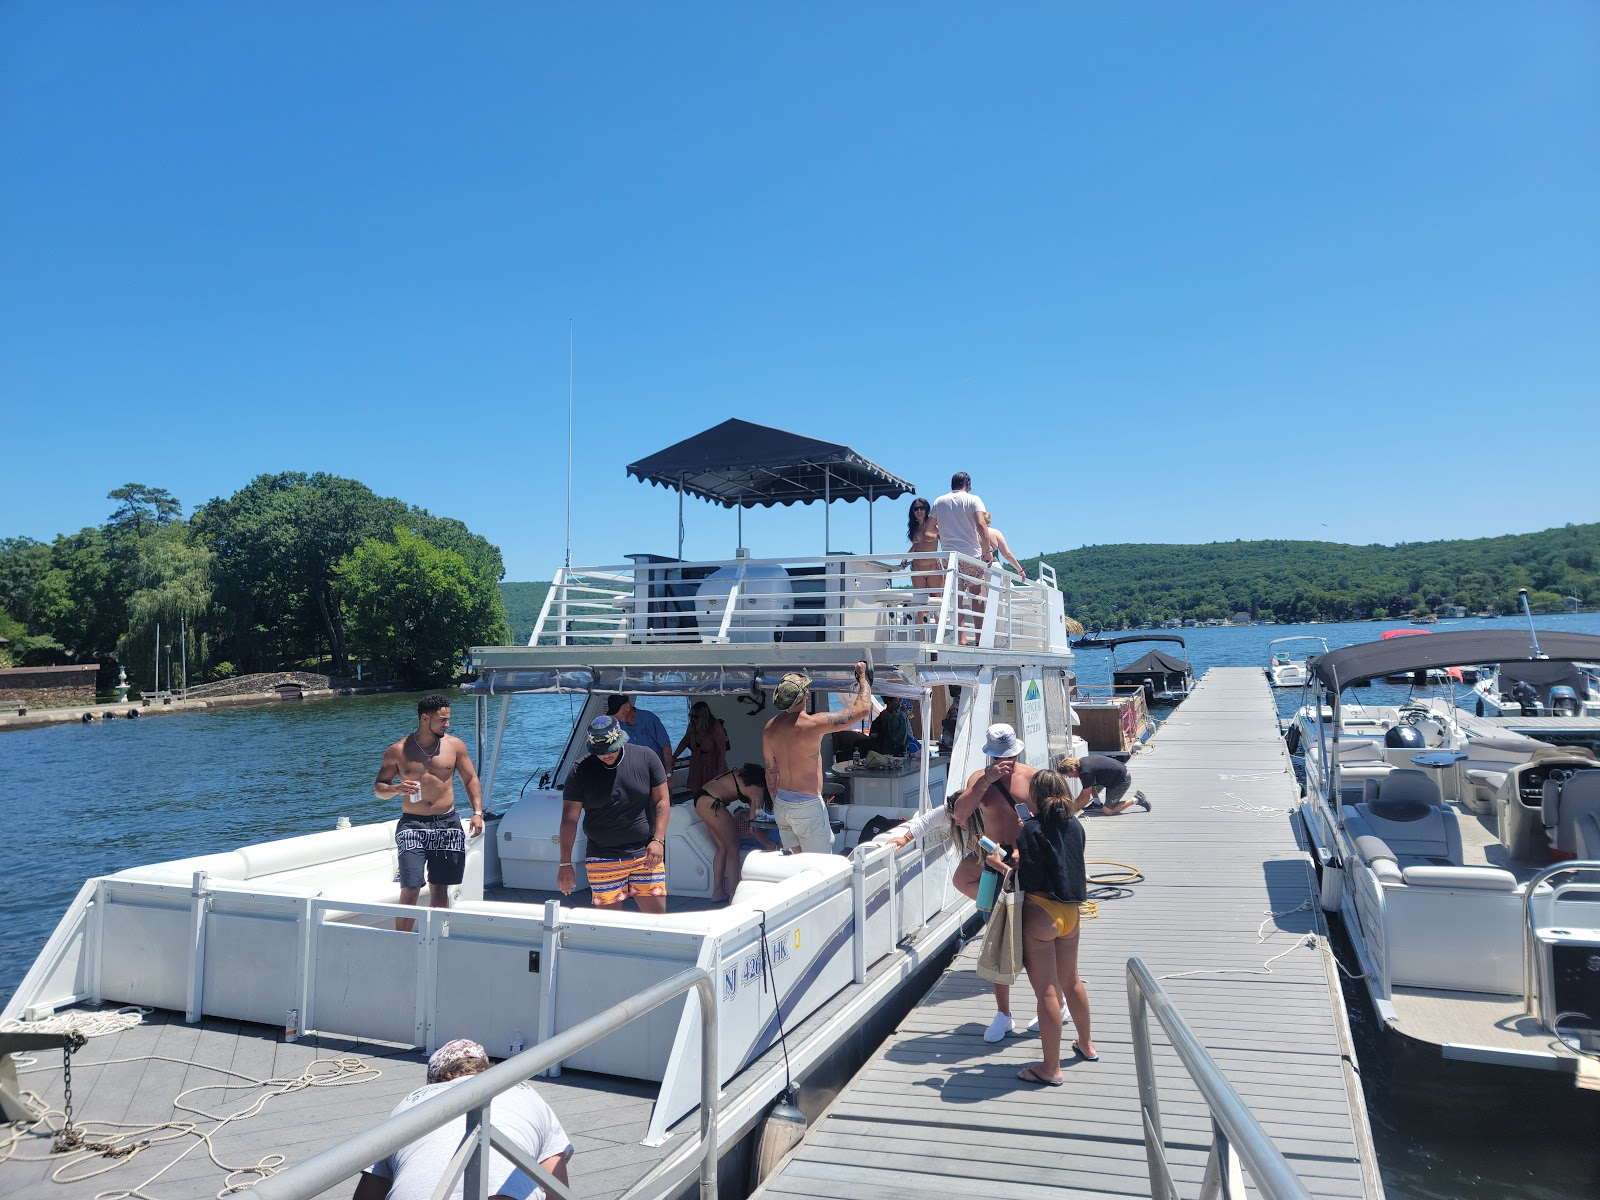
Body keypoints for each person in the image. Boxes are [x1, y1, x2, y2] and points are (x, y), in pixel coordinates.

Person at [983, 770, 1096, 1085]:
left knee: (1046, 991)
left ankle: (1050, 1068)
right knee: (1071, 981)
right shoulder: (1075, 825)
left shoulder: (1030, 830)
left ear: (1035, 796)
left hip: (1042, 914)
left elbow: (1028, 879)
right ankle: (1086, 1045)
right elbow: (1062, 862)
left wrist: (1000, 865)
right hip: (1071, 912)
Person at [353, 1038, 573, 1200]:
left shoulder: (411, 1103)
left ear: (434, 1081)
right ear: (485, 1068)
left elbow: (369, 1192)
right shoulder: (523, 1091)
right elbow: (554, 1184)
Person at [950, 724, 1040, 1041]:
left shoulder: (1033, 777)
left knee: (1035, 942)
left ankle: (1054, 1004)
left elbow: (1049, 823)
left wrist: (1024, 852)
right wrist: (986, 781)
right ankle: (1004, 1014)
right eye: (1000, 757)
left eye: (1010, 756)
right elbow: (960, 814)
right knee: (996, 938)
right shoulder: (979, 779)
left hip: (1027, 865)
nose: (1006, 762)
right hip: (993, 865)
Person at [373, 695, 485, 933]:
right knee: (410, 887)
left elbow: (470, 779)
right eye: (443, 720)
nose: (448, 724)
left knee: (440, 887)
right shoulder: (398, 750)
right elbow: (379, 788)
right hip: (413, 825)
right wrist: (396, 789)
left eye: (448, 719)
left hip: (447, 823)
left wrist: (477, 813)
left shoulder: (455, 746)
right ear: (425, 718)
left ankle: (436, 939)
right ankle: (401, 940)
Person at [559, 716, 670, 913]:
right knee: (608, 925)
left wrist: (658, 840)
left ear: (620, 739)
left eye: (611, 749)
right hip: (602, 858)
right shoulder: (579, 771)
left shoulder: (647, 757)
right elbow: (569, 819)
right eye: (601, 751)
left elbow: (662, 800)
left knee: (657, 922)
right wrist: (565, 863)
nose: (606, 755)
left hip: (646, 853)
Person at [762, 664, 872, 853]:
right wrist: (863, 678)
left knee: (797, 863)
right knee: (820, 866)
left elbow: (770, 770)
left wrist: (777, 802)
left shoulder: (770, 727)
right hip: (806, 806)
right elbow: (862, 710)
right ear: (805, 695)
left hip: (781, 805)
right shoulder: (812, 724)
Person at [693, 763, 777, 900]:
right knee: (733, 847)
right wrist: (771, 845)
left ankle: (717, 893)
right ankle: (734, 895)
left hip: (701, 799)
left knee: (723, 847)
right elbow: (754, 829)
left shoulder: (746, 776)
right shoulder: (758, 790)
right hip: (712, 803)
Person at [929, 472, 989, 643]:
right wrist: (987, 551)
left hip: (950, 556)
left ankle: (961, 638)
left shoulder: (939, 501)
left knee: (957, 597)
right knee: (976, 595)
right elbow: (981, 524)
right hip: (971, 555)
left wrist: (944, 532)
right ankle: (979, 638)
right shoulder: (973, 499)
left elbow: (929, 527)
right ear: (967, 484)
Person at [1058, 754, 1149, 814]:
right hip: (1115, 777)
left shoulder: (1085, 772)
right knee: (1088, 784)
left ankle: (1137, 799)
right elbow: (1088, 786)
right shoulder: (1082, 763)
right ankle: (1097, 803)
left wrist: (1071, 812)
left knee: (1107, 811)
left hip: (1122, 781)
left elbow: (1085, 798)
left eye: (1068, 774)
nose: (1069, 777)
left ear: (1073, 770)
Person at [607, 694, 674, 775]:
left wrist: (668, 774)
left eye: (616, 711)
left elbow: (666, 747)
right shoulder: (618, 726)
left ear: (627, 707)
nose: (615, 715)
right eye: (613, 713)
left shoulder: (649, 719)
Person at [674, 701, 728, 792]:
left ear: (703, 716)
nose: (692, 719)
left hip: (712, 765)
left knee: (713, 792)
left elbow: (722, 752)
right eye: (690, 716)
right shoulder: (692, 726)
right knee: (696, 792)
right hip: (697, 765)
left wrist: (719, 773)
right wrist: (674, 757)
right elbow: (685, 741)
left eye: (695, 717)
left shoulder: (715, 727)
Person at [905, 497, 940, 622]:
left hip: (933, 567)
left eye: (922, 508)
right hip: (917, 567)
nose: (919, 511)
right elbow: (916, 546)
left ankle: (939, 631)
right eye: (916, 509)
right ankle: (922, 631)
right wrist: (905, 557)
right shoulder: (914, 527)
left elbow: (945, 541)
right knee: (920, 600)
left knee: (937, 600)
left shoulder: (935, 525)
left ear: (926, 509)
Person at [979, 511, 1026, 577]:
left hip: (975, 565)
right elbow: (1007, 555)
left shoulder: (973, 533)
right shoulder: (995, 533)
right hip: (994, 567)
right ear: (989, 522)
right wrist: (1020, 570)